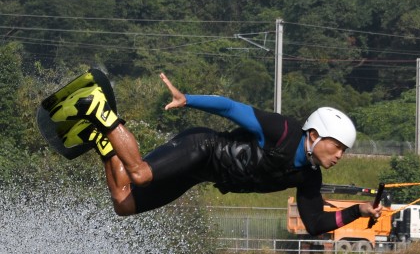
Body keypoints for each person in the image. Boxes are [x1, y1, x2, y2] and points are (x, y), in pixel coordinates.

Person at [50, 72, 381, 236]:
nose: (339, 155)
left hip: (199, 176)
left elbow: (314, 223)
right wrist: (187, 99)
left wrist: (360, 211)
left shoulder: (309, 176)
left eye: (343, 150)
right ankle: (100, 111)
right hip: (200, 148)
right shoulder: (283, 131)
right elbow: (230, 108)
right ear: (315, 134)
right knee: (139, 174)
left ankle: (101, 139)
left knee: (124, 202)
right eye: (337, 146)